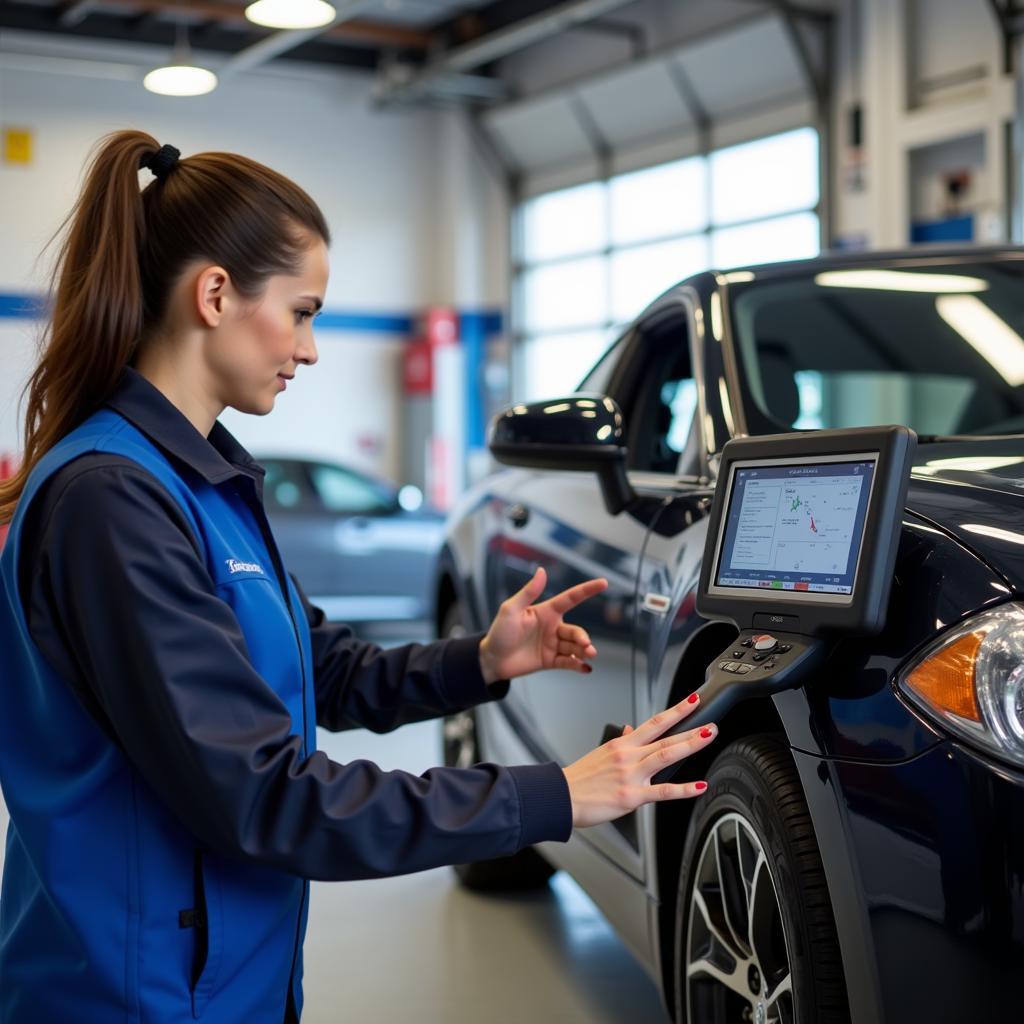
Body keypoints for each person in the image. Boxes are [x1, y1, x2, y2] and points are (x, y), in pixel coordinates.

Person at [0, 130, 717, 1024]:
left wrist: (480, 663)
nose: (309, 349)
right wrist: (552, 796)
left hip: (218, 979)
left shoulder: (205, 483)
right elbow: (264, 796)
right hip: (133, 995)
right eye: (301, 312)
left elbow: (321, 670)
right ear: (215, 294)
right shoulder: (113, 501)